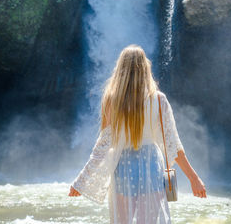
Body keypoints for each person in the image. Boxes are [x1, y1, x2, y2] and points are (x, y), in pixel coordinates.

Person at [68, 44, 206, 223]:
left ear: (120, 69)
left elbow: (102, 146)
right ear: (145, 68)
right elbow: (173, 145)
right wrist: (194, 179)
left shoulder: (112, 100)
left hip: (123, 170)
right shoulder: (159, 99)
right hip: (151, 169)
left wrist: (80, 182)